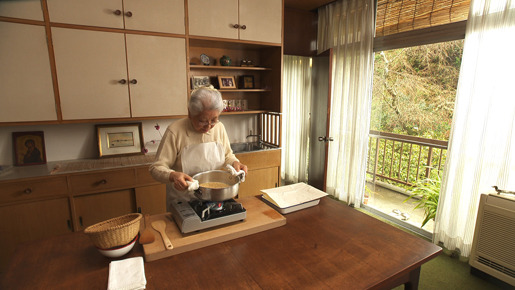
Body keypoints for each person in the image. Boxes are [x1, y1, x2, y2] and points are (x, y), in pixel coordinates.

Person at [149, 86, 248, 209]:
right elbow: (156, 168)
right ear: (190, 113)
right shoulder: (175, 131)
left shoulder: (219, 128)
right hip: (183, 201)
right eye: (203, 121)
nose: (209, 126)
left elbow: (227, 155)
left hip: (215, 199)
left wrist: (235, 163)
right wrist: (173, 175)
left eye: (214, 120)